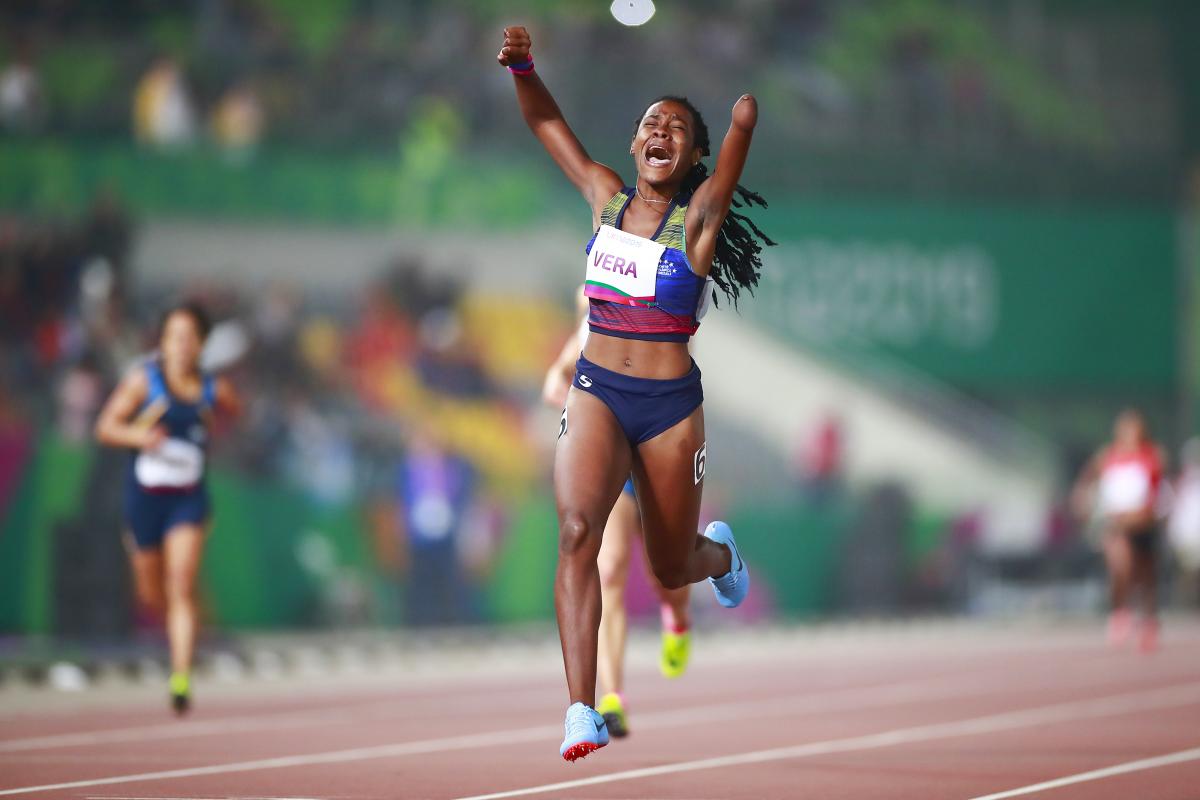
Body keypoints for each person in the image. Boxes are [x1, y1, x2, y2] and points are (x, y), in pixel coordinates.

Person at [499, 25, 773, 760]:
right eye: (652, 122)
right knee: (576, 534)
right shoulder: (604, 197)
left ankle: (719, 557)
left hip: (669, 412)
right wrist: (525, 66)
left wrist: (741, 119)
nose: (661, 131)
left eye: (677, 129)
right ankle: (580, 709)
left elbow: (735, 154)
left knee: (669, 565)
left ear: (689, 158)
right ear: (633, 143)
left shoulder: (699, 220)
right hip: (597, 391)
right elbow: (545, 123)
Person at [542, 288, 693, 739]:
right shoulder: (586, 337)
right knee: (609, 571)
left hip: (659, 455)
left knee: (670, 570)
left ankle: (678, 619)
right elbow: (553, 383)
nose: (592, 313)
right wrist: (585, 410)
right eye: (586, 308)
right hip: (619, 469)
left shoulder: (655, 321)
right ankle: (612, 698)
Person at [95, 302, 240, 712]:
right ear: (162, 341)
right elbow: (105, 427)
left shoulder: (216, 389)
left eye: (190, 337)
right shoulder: (144, 383)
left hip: (188, 499)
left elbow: (237, 417)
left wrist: (218, 426)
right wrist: (140, 437)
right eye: (174, 336)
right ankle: (183, 631)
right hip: (144, 499)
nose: (181, 345)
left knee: (181, 580)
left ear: (202, 344)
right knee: (150, 591)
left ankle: (180, 677)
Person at [1071, 409, 1166, 652]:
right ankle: (1119, 613)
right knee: (1120, 567)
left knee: (1145, 577)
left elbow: (1160, 491)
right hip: (1115, 524)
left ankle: (1148, 620)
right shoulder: (1107, 456)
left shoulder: (1152, 456)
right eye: (1125, 428)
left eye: (1134, 428)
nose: (1129, 433)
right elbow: (1087, 478)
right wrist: (1082, 497)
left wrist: (1156, 512)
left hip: (1142, 523)